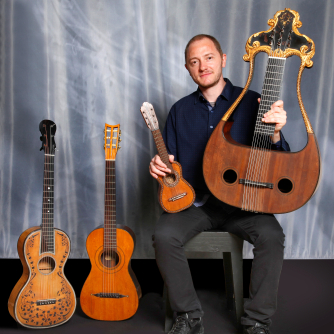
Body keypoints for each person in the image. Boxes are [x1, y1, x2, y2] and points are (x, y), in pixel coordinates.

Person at [149, 34, 289, 334]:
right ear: (187, 68)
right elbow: (172, 168)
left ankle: (257, 322)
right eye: (194, 61)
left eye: (209, 57)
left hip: (244, 205)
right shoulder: (179, 111)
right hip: (198, 204)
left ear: (223, 59)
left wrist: (276, 133)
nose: (203, 66)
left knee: (272, 236)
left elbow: (279, 165)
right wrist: (160, 168)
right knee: (163, 234)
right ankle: (188, 315)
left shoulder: (254, 101)